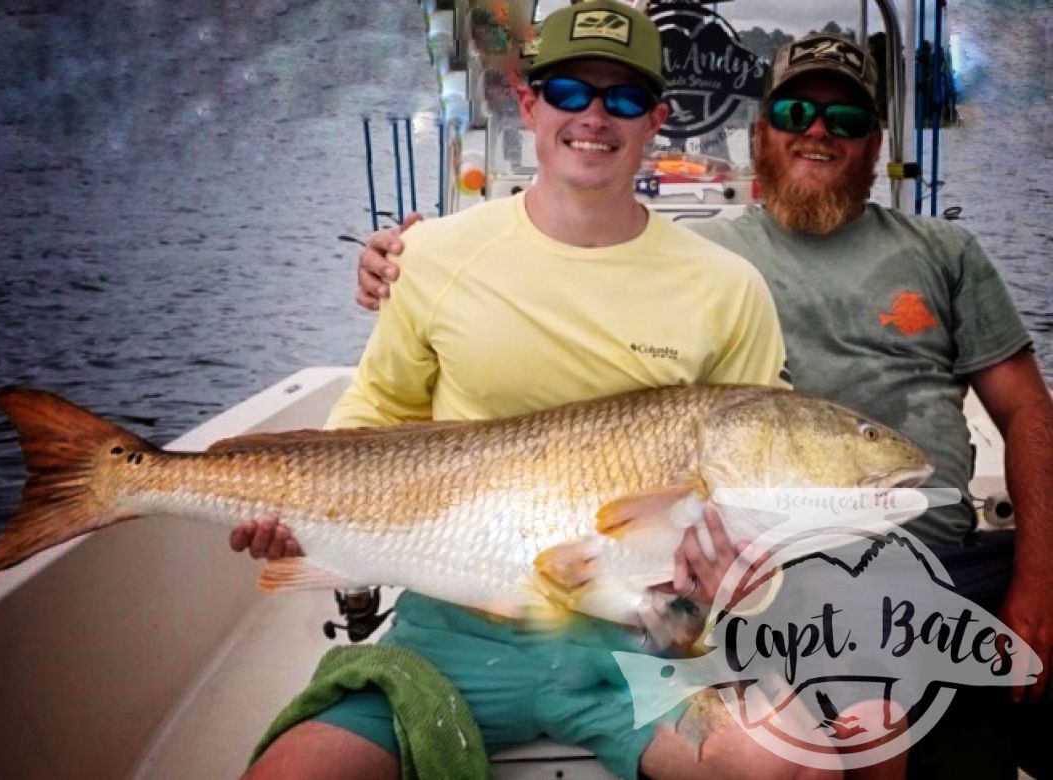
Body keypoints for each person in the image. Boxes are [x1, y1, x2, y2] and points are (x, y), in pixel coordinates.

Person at [355, 29, 1053, 775]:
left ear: (877, 141)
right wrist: (407, 258)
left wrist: (1038, 579)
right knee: (865, 698)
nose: (818, 132)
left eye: (846, 120)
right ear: (761, 134)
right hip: (791, 550)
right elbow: (573, 259)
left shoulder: (944, 249)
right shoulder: (707, 256)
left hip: (944, 539)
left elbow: (1028, 410)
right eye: (794, 112)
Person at [235, 3, 838, 778]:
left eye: (622, 99)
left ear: (656, 118)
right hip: (448, 632)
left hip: (638, 641)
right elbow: (374, 417)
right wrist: (303, 518)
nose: (594, 116)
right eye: (569, 92)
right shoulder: (433, 254)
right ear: (528, 102)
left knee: (789, 764)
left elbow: (757, 490)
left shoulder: (728, 287)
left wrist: (741, 581)